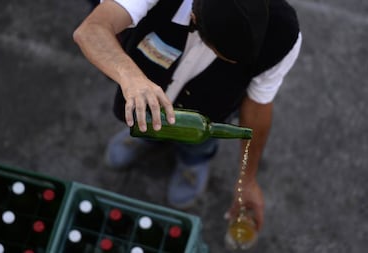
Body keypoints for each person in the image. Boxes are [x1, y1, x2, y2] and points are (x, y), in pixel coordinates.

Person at [73, 0, 301, 232]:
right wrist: (131, 78)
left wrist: (248, 178)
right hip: (148, 106)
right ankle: (146, 138)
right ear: (194, 17)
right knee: (146, 125)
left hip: (209, 116)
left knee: (198, 146)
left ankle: (192, 164)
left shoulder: (283, 33)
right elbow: (91, 31)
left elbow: (257, 107)